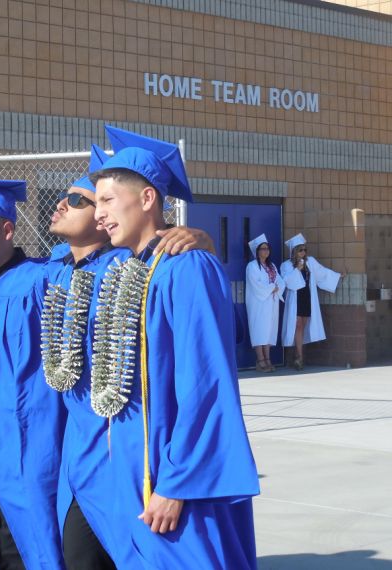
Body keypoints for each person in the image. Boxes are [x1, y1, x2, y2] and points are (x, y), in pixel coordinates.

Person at [88, 127, 259, 568]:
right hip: (133, 467)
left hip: (172, 477)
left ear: (147, 199)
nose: (98, 215)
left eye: (107, 201)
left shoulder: (186, 268)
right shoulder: (128, 267)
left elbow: (205, 384)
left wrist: (176, 483)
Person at [0, 177, 67, 569]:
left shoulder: (42, 279)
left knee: (40, 544)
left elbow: (96, 260)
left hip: (35, 444)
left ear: (7, 229)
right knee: (0, 545)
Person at [281, 234, 343, 370]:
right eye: (300, 250)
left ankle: (298, 353)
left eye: (305, 250)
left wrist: (337, 276)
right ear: (294, 251)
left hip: (306, 297)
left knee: (302, 325)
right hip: (295, 299)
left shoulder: (311, 262)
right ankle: (299, 357)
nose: (303, 253)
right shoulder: (286, 265)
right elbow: (287, 282)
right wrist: (297, 268)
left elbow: (322, 273)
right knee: (296, 324)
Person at [245, 234, 285, 372]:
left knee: (269, 331)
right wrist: (272, 288)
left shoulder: (271, 265)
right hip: (259, 303)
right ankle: (260, 360)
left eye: (267, 248)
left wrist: (276, 287)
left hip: (271, 302)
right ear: (257, 251)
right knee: (259, 329)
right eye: (262, 248)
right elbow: (256, 285)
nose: (265, 251)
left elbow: (280, 281)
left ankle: (268, 359)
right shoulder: (252, 266)